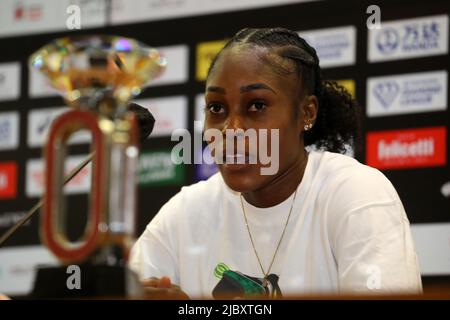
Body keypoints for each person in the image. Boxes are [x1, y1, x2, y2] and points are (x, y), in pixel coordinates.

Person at [129, 27, 422, 299]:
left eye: (257, 106)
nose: (231, 130)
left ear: (306, 113)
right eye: (217, 108)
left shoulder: (356, 194)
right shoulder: (185, 213)